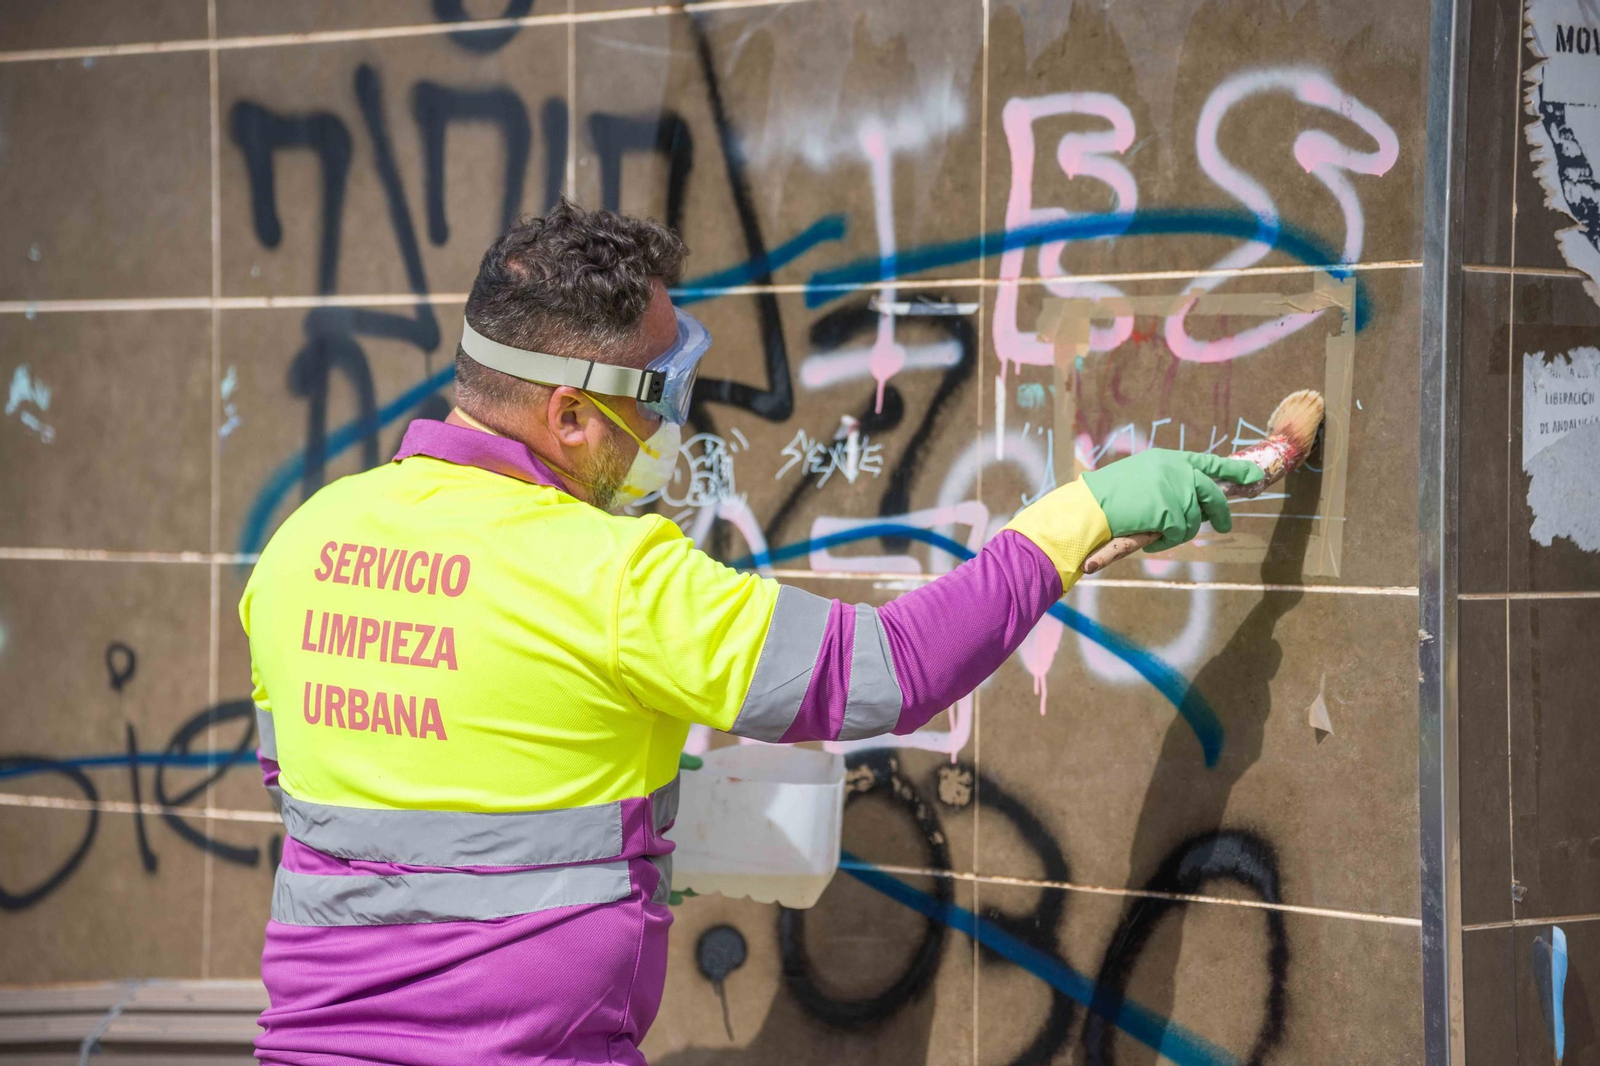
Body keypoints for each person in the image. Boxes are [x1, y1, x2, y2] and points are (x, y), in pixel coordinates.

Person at [239, 199, 1262, 1066]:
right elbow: (887, 672)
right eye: (661, 393)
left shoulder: (301, 546)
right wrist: (1076, 517)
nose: (675, 425)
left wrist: (610, 833)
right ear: (569, 418)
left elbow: (331, 792)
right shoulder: (609, 576)